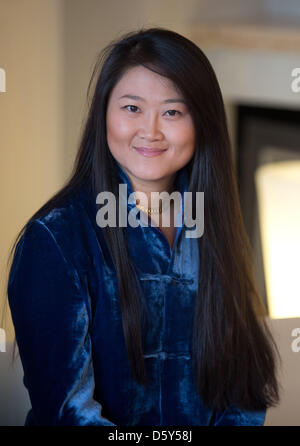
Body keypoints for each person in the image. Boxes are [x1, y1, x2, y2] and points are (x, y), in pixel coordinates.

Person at [6, 27, 280, 426]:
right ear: (104, 113)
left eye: (172, 112)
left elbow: (242, 389)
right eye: (132, 108)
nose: (150, 131)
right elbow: (67, 414)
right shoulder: (56, 239)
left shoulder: (212, 226)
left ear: (201, 123)